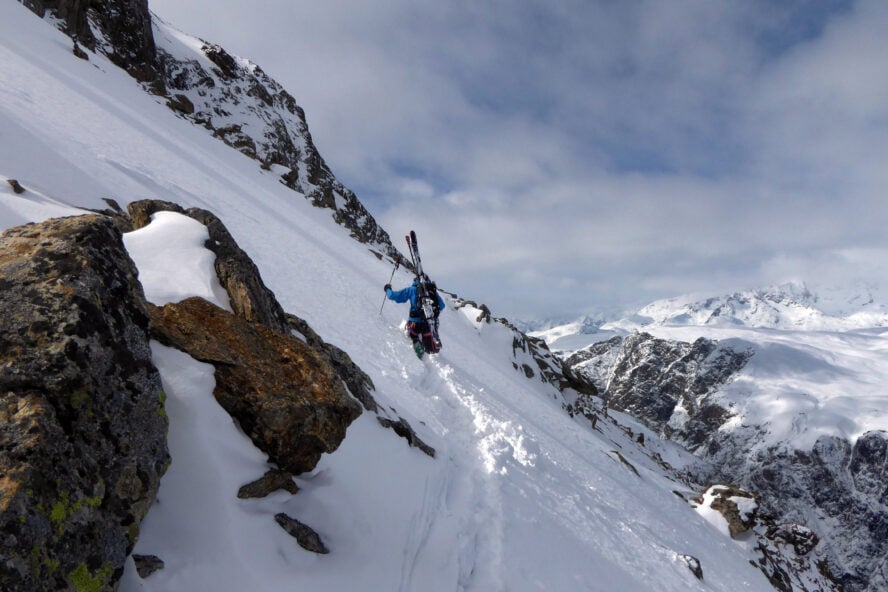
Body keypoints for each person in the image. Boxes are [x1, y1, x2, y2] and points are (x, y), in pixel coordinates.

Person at [384, 276, 445, 358]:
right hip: (427, 324)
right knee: (428, 341)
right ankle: (430, 353)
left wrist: (387, 289)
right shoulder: (431, 292)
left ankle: (417, 349)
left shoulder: (412, 290)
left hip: (414, 323)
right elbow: (442, 306)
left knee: (412, 335)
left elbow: (393, 296)